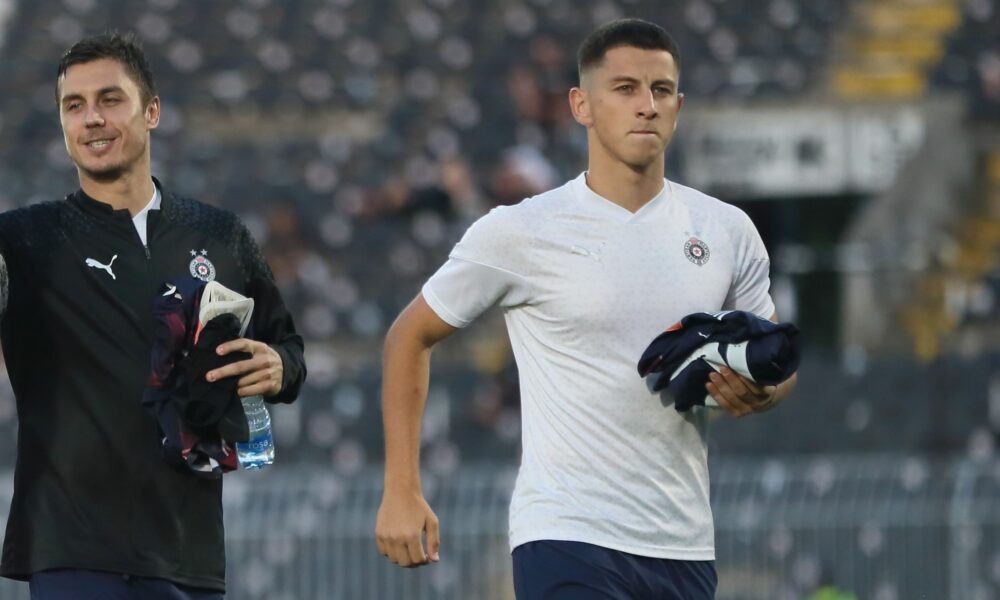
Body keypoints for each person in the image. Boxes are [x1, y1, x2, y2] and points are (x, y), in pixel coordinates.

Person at [375, 18, 797, 599]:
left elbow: (775, 360)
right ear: (582, 105)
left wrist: (762, 392)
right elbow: (409, 336)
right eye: (625, 89)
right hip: (565, 534)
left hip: (683, 544)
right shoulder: (521, 230)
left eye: (661, 90)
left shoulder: (726, 230)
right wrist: (401, 487)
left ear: (678, 107)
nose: (646, 105)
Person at [0, 32, 306, 598]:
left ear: (152, 112)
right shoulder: (23, 241)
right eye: (74, 105)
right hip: (72, 550)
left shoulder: (220, 235)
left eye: (110, 99)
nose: (92, 118)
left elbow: (289, 350)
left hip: (189, 555)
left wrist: (279, 367)